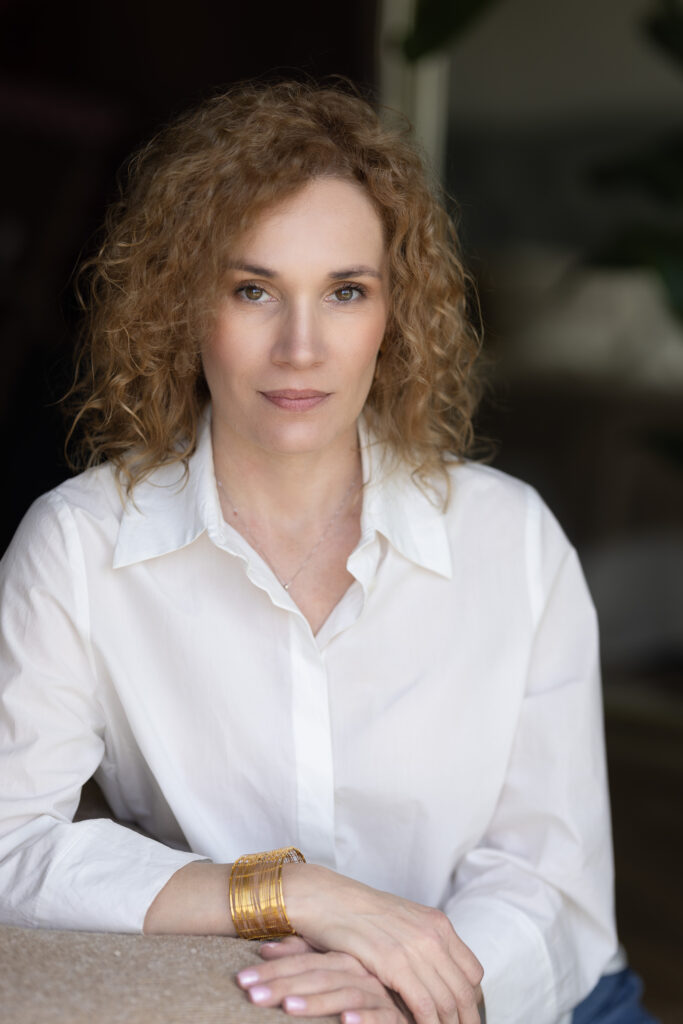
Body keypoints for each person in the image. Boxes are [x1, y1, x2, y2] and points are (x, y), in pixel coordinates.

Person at [0, 80, 657, 1024]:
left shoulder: (510, 540)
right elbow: (12, 843)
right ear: (182, 304)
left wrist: (403, 985)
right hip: (274, 994)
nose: (300, 348)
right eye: (253, 290)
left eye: (345, 292)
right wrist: (291, 892)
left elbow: (550, 879)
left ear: (394, 313)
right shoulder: (77, 544)